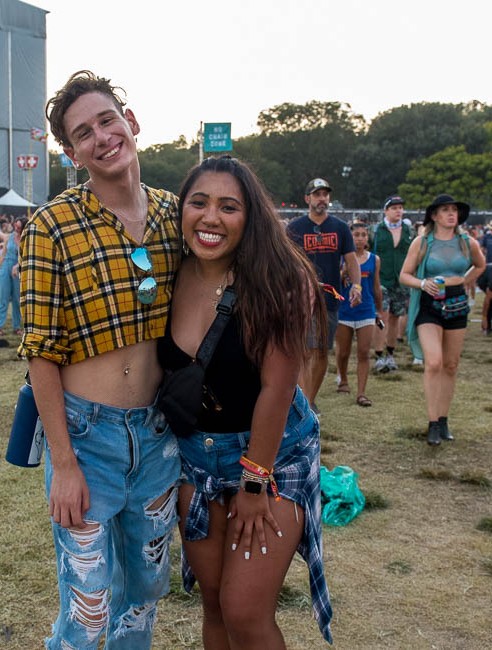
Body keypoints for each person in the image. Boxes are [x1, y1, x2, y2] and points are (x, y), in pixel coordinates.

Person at [20, 70, 181, 649]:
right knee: (89, 610)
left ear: (130, 122)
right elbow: (40, 352)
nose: (102, 137)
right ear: (72, 153)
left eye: (107, 120)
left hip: (159, 436)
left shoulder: (176, 215)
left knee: (145, 592)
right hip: (87, 440)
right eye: (83, 133)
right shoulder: (51, 226)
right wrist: (63, 464)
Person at [158, 156, 332, 646]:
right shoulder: (170, 274)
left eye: (228, 207)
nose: (210, 218)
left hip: (272, 457)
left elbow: (278, 388)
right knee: (214, 604)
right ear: (182, 209)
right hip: (196, 458)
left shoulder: (280, 281)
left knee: (245, 613)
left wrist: (255, 484)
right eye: (199, 203)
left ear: (250, 216)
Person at [401, 194, 486, 445]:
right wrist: (422, 283)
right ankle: (432, 423)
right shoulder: (422, 242)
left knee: (450, 365)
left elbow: (480, 265)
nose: (451, 214)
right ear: (434, 216)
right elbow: (404, 275)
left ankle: (443, 419)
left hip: (457, 304)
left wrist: (464, 281)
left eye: (454, 210)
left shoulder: (467, 242)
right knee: (434, 362)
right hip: (429, 305)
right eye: (446, 210)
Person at [286, 178, 361, 415]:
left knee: (321, 351)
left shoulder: (340, 228)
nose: (322, 199)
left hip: (329, 299)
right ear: (307, 199)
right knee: (305, 350)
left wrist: (357, 286)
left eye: (325, 195)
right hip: (301, 300)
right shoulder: (295, 228)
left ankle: (310, 398)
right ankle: (303, 403)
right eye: (317, 194)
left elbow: (351, 260)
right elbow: (284, 261)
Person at [335, 221, 382, 407]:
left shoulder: (374, 260)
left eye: (364, 235)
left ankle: (361, 393)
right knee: (343, 352)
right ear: (349, 237)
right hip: (344, 311)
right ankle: (343, 380)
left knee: (363, 352)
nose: (360, 238)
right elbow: (334, 285)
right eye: (356, 235)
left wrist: (379, 310)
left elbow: (376, 286)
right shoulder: (340, 259)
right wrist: (343, 272)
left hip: (366, 310)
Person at [370, 195, 413, 372]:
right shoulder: (376, 231)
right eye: (394, 208)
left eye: (400, 208)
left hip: (400, 281)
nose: (398, 211)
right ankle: (379, 355)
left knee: (395, 317)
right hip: (381, 280)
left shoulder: (409, 231)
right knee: (382, 316)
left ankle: (390, 353)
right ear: (386, 211)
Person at [0, 216, 25, 336]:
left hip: (19, 268)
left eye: (19, 227)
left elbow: (27, 256)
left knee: (17, 299)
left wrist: (17, 265)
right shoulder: (9, 237)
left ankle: (16, 327)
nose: (16, 229)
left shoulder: (27, 239)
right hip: (6, 266)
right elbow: (3, 253)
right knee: (2, 297)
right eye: (15, 226)